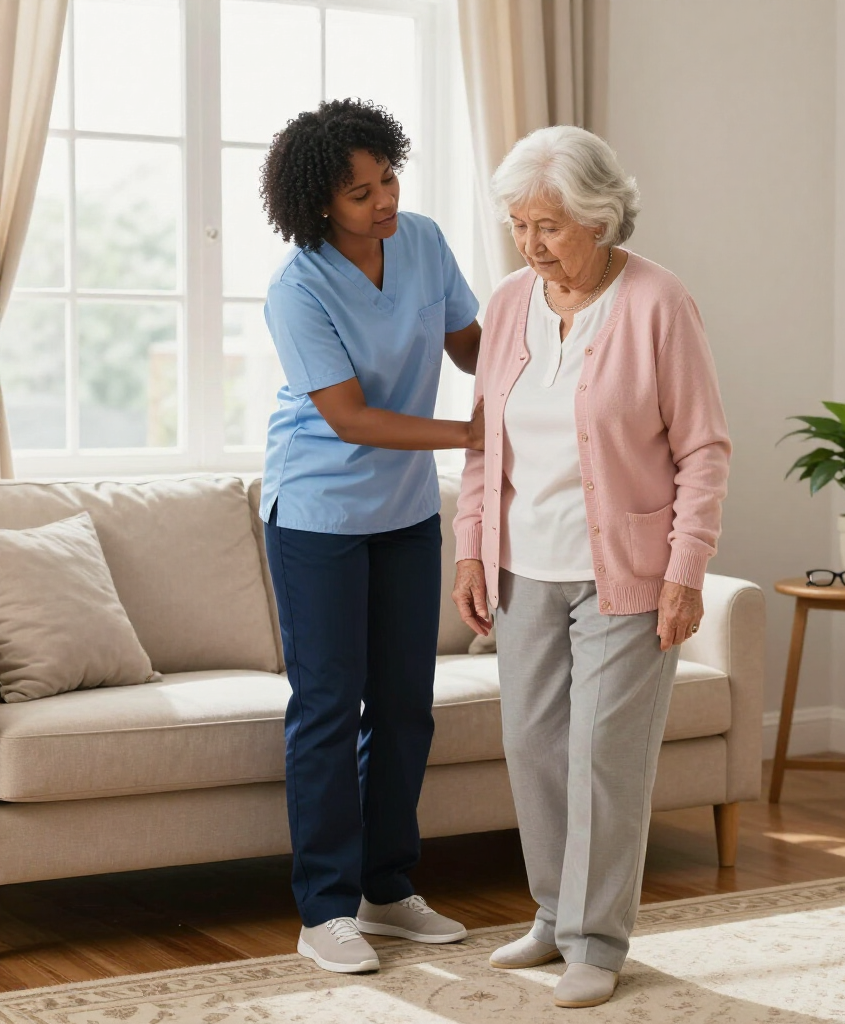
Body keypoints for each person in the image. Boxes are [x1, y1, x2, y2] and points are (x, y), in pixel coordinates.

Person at [452, 125, 731, 1009]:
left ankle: (597, 940)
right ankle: (552, 914)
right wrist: (471, 547)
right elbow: (480, 445)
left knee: (605, 758)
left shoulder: (658, 303)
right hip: (522, 566)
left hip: (629, 574)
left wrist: (685, 572)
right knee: (533, 750)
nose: (532, 246)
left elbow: (705, 450)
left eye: (551, 227)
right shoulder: (506, 305)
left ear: (603, 219)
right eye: (519, 226)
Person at [259, 98, 482, 975]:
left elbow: (469, 343)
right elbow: (348, 418)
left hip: (405, 510)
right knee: (327, 708)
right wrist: (470, 436)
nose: (383, 199)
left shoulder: (422, 240)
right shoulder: (299, 286)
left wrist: (555, 336)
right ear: (321, 203)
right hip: (318, 512)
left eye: (388, 178)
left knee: (402, 706)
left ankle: (386, 891)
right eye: (360, 192)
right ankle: (324, 911)